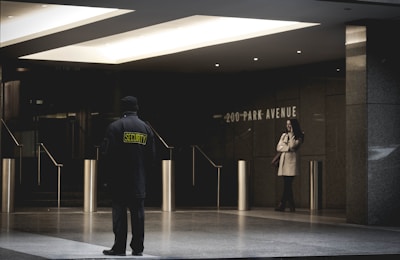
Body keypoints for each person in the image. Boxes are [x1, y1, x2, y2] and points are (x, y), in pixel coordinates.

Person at [101, 96, 156, 256]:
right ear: (137, 108)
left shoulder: (115, 127)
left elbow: (107, 155)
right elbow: (151, 158)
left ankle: (119, 247)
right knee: (138, 215)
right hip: (139, 181)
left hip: (119, 181)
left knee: (119, 215)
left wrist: (106, 179)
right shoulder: (146, 128)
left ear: (122, 108)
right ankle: (138, 248)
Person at [275, 118, 304, 212]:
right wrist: (287, 148)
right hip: (284, 163)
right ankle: (291, 205)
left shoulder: (299, 136)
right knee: (287, 185)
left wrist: (291, 135)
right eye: (287, 124)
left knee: (287, 184)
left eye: (290, 124)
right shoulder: (284, 135)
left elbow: (293, 146)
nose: (288, 126)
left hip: (291, 164)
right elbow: (278, 147)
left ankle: (282, 204)